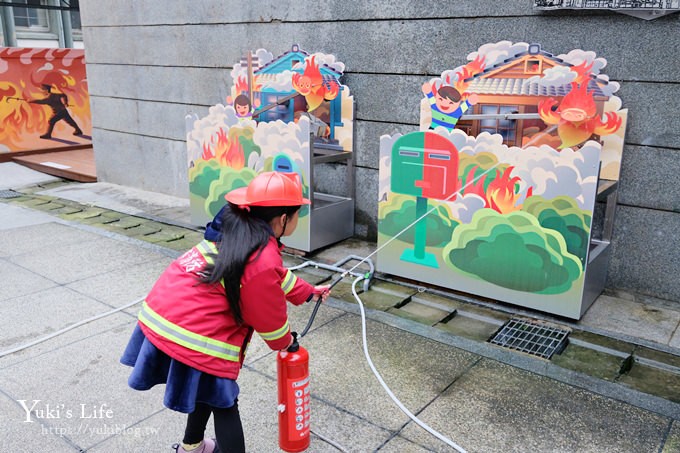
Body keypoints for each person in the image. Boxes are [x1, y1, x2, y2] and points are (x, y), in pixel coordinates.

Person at [121, 171, 331, 453]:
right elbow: (266, 316)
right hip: (194, 331)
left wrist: (307, 291)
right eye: (297, 215)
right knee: (224, 402)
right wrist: (284, 342)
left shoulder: (238, 230)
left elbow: (270, 276)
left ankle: (192, 446)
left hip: (165, 313)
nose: (296, 220)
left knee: (206, 390)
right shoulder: (261, 254)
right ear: (283, 219)